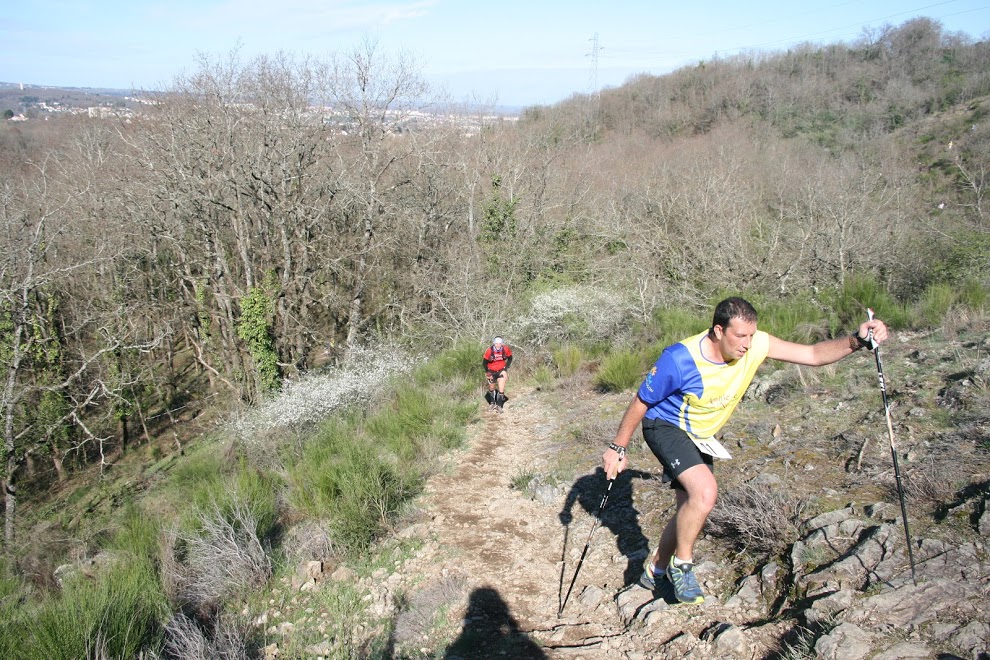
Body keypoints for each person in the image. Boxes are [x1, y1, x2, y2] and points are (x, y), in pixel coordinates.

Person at [601, 297, 888, 605]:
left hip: (700, 434)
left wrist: (857, 341)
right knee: (705, 494)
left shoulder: (756, 344)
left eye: (751, 335)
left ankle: (655, 569)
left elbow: (813, 354)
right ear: (718, 330)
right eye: (740, 336)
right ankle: (681, 566)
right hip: (666, 426)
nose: (748, 344)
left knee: (691, 504)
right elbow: (641, 401)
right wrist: (618, 447)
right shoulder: (680, 358)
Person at [483, 336, 513, 413]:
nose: (498, 345)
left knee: (501, 388)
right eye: (496, 343)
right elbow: (484, 363)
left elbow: (510, 358)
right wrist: (487, 372)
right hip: (491, 370)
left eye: (500, 343)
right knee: (492, 388)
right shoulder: (489, 350)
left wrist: (505, 369)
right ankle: (492, 403)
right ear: (494, 343)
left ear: (502, 343)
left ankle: (499, 405)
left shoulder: (505, 349)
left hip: (501, 370)